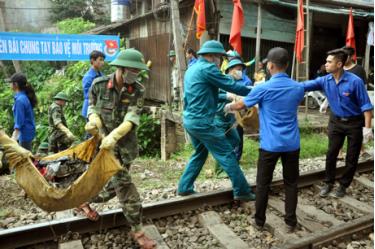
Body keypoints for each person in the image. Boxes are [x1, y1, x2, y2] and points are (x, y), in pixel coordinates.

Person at [224, 47, 304, 232]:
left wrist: (228, 107)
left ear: (271, 66)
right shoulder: (298, 87)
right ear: (286, 65)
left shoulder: (264, 88)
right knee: (291, 183)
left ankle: (259, 221)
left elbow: (242, 104)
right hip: (292, 144)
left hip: (270, 145)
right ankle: (290, 222)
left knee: (263, 185)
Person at [85, 48, 156, 249]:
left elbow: (131, 118)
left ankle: (84, 199)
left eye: (137, 71)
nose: (136, 74)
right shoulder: (99, 85)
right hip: (104, 147)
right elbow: (91, 106)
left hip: (125, 147)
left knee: (116, 185)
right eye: (133, 70)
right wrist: (93, 119)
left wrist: (115, 136)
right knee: (125, 185)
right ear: (121, 69)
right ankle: (138, 231)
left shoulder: (138, 89)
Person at [177, 40, 255, 201]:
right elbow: (234, 86)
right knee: (226, 153)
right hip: (203, 122)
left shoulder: (192, 69)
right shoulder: (208, 68)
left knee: (200, 152)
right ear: (213, 56)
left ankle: (184, 187)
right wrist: (257, 90)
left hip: (190, 120)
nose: (221, 61)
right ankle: (242, 190)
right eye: (220, 57)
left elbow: (203, 93)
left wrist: (225, 96)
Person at [302, 48, 373, 198]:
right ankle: (328, 183)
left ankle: (343, 186)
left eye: (329, 62)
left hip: (354, 123)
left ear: (339, 64)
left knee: (351, 158)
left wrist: (367, 128)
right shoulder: (325, 80)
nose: (325, 64)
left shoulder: (355, 81)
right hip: (336, 122)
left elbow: (366, 106)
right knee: (331, 153)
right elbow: (304, 85)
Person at [8, 73, 37, 151]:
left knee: (25, 159)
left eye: (11, 83)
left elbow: (19, 121)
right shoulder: (24, 97)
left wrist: (14, 137)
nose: (10, 85)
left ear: (16, 84)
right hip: (28, 131)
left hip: (24, 134)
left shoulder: (20, 100)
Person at [81, 50, 105, 119]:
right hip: (90, 110)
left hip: (100, 109)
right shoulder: (88, 77)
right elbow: (88, 95)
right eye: (100, 60)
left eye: (103, 60)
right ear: (92, 60)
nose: (102, 62)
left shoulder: (102, 75)